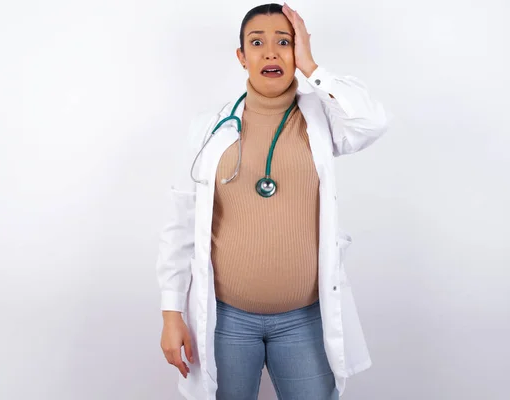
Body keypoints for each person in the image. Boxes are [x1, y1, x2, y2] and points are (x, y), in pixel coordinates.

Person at [155, 3, 389, 400]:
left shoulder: (323, 118)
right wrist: (171, 312)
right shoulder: (208, 127)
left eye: (284, 42)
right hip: (226, 320)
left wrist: (312, 66)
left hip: (304, 320)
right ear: (241, 56)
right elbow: (180, 223)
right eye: (257, 42)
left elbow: (373, 122)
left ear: (298, 50)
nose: (270, 52)